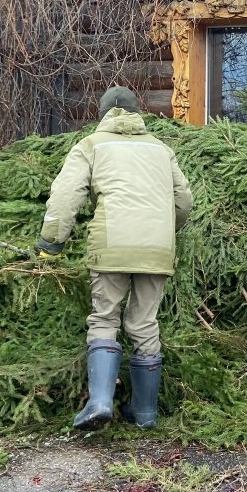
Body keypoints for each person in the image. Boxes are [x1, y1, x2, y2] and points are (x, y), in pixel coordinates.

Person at [36, 85, 193, 431]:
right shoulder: (160, 149)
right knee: (144, 323)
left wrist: (51, 242)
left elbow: (65, 197)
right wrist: (165, 230)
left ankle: (101, 401)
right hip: (157, 248)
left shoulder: (91, 145)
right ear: (138, 113)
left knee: (105, 318)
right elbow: (183, 201)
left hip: (111, 245)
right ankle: (145, 412)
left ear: (103, 113)